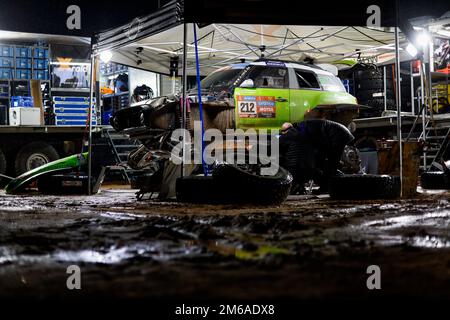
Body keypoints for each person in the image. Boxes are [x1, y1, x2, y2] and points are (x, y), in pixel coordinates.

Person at [279, 119, 354, 194]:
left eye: (283, 132)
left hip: (337, 135)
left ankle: (328, 187)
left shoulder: (298, 129)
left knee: (331, 164)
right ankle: (328, 186)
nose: (284, 134)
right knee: (325, 164)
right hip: (338, 133)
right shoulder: (302, 127)